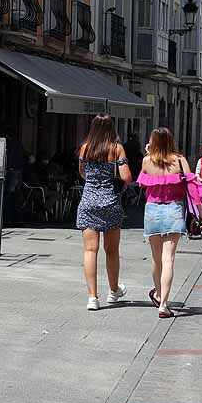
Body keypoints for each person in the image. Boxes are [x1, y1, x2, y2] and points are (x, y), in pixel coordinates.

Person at [137, 128, 202, 318]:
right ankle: (163, 304)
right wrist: (201, 214)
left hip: (152, 211)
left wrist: (149, 153)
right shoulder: (180, 161)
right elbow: (193, 190)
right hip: (173, 210)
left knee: (156, 258)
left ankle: (158, 293)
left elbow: (142, 183)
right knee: (169, 259)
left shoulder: (147, 161)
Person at [76, 115, 132, 311]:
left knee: (90, 250)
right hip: (110, 202)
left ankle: (92, 298)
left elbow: (82, 173)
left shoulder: (85, 148)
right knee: (112, 250)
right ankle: (114, 290)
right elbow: (126, 176)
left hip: (88, 201)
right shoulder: (116, 148)